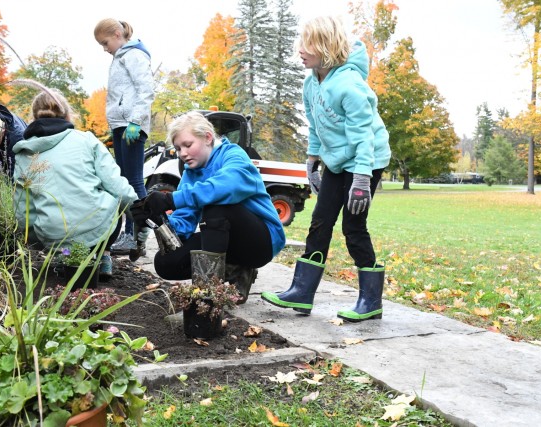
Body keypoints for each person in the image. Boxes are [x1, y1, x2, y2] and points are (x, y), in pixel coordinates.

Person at [261, 16, 391, 322]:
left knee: (353, 227)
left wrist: (361, 177)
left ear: (326, 47)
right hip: (337, 161)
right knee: (320, 222)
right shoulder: (311, 83)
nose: (300, 51)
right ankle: (302, 292)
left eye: (307, 44)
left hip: (366, 159)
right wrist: (312, 159)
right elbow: (316, 124)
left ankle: (370, 301)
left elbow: (364, 135)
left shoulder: (349, 85)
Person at [131, 111, 286, 303]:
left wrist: (171, 199)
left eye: (188, 145)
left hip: (261, 242)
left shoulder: (234, 155)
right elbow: (184, 224)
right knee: (166, 262)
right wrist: (158, 221)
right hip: (225, 236)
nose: (183, 153)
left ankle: (209, 297)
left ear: (208, 138)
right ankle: (234, 272)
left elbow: (226, 187)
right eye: (178, 149)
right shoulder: (191, 172)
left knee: (216, 208)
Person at [12, 89, 139, 282]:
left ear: (33, 117)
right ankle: (103, 255)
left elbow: (22, 212)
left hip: (53, 238)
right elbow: (118, 188)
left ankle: (67, 256)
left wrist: (38, 239)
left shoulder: (24, 153)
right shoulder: (86, 140)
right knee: (113, 196)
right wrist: (140, 217)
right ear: (67, 114)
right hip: (97, 231)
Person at [94, 18, 155, 262]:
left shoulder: (134, 55)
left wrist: (136, 121)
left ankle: (136, 233)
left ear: (118, 34)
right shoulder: (120, 57)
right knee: (122, 181)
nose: (104, 48)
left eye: (105, 42)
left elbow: (146, 88)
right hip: (122, 126)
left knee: (133, 181)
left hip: (131, 125)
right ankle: (129, 235)